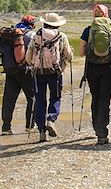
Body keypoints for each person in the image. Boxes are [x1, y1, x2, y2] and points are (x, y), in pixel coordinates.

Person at [79, 3, 111, 145]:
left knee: (95, 98)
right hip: (109, 69)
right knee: (104, 100)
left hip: (92, 69)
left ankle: (97, 128)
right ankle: (102, 133)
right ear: (106, 15)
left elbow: (81, 52)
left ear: (94, 15)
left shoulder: (88, 30)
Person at [26, 12, 73, 143]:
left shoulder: (37, 36)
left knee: (40, 100)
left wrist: (33, 65)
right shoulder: (61, 36)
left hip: (38, 73)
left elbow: (28, 56)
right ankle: (51, 119)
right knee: (55, 97)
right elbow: (68, 56)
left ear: (44, 23)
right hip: (55, 73)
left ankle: (41, 131)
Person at [0, 14, 37, 135]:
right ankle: (30, 126)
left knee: (8, 99)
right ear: (32, 24)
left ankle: (5, 127)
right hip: (25, 70)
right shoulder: (31, 35)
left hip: (10, 70)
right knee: (32, 98)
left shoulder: (9, 34)